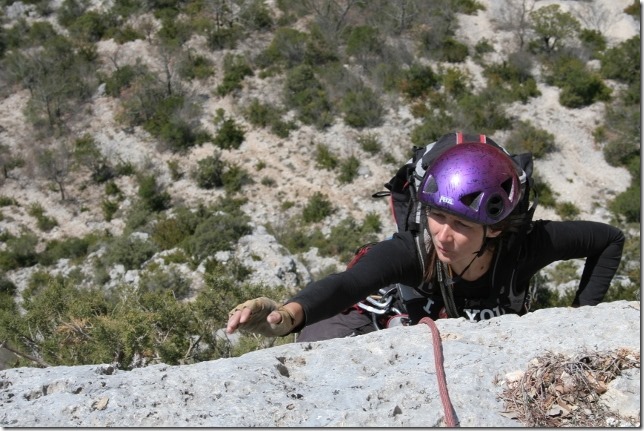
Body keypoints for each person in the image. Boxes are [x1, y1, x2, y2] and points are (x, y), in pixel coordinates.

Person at [226, 139, 625, 342]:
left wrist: (581, 317)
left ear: (496, 228)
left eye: (462, 225)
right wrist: (288, 316)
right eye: (437, 216)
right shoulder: (415, 250)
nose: (443, 236)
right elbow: (349, 284)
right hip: (401, 309)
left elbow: (609, 239)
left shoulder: (527, 246)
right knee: (318, 342)